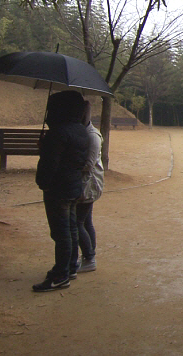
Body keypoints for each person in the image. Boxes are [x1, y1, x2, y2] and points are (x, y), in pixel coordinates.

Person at [32, 90, 89, 292]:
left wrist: (43, 182)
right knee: (71, 229)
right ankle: (70, 267)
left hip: (58, 188)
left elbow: (51, 163)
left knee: (61, 232)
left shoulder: (58, 132)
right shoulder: (81, 130)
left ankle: (60, 275)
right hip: (73, 186)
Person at [76, 100, 103, 274]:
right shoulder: (82, 133)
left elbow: (88, 164)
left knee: (77, 222)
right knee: (85, 221)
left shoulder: (92, 136)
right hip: (85, 183)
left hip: (89, 184)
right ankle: (89, 256)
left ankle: (89, 256)